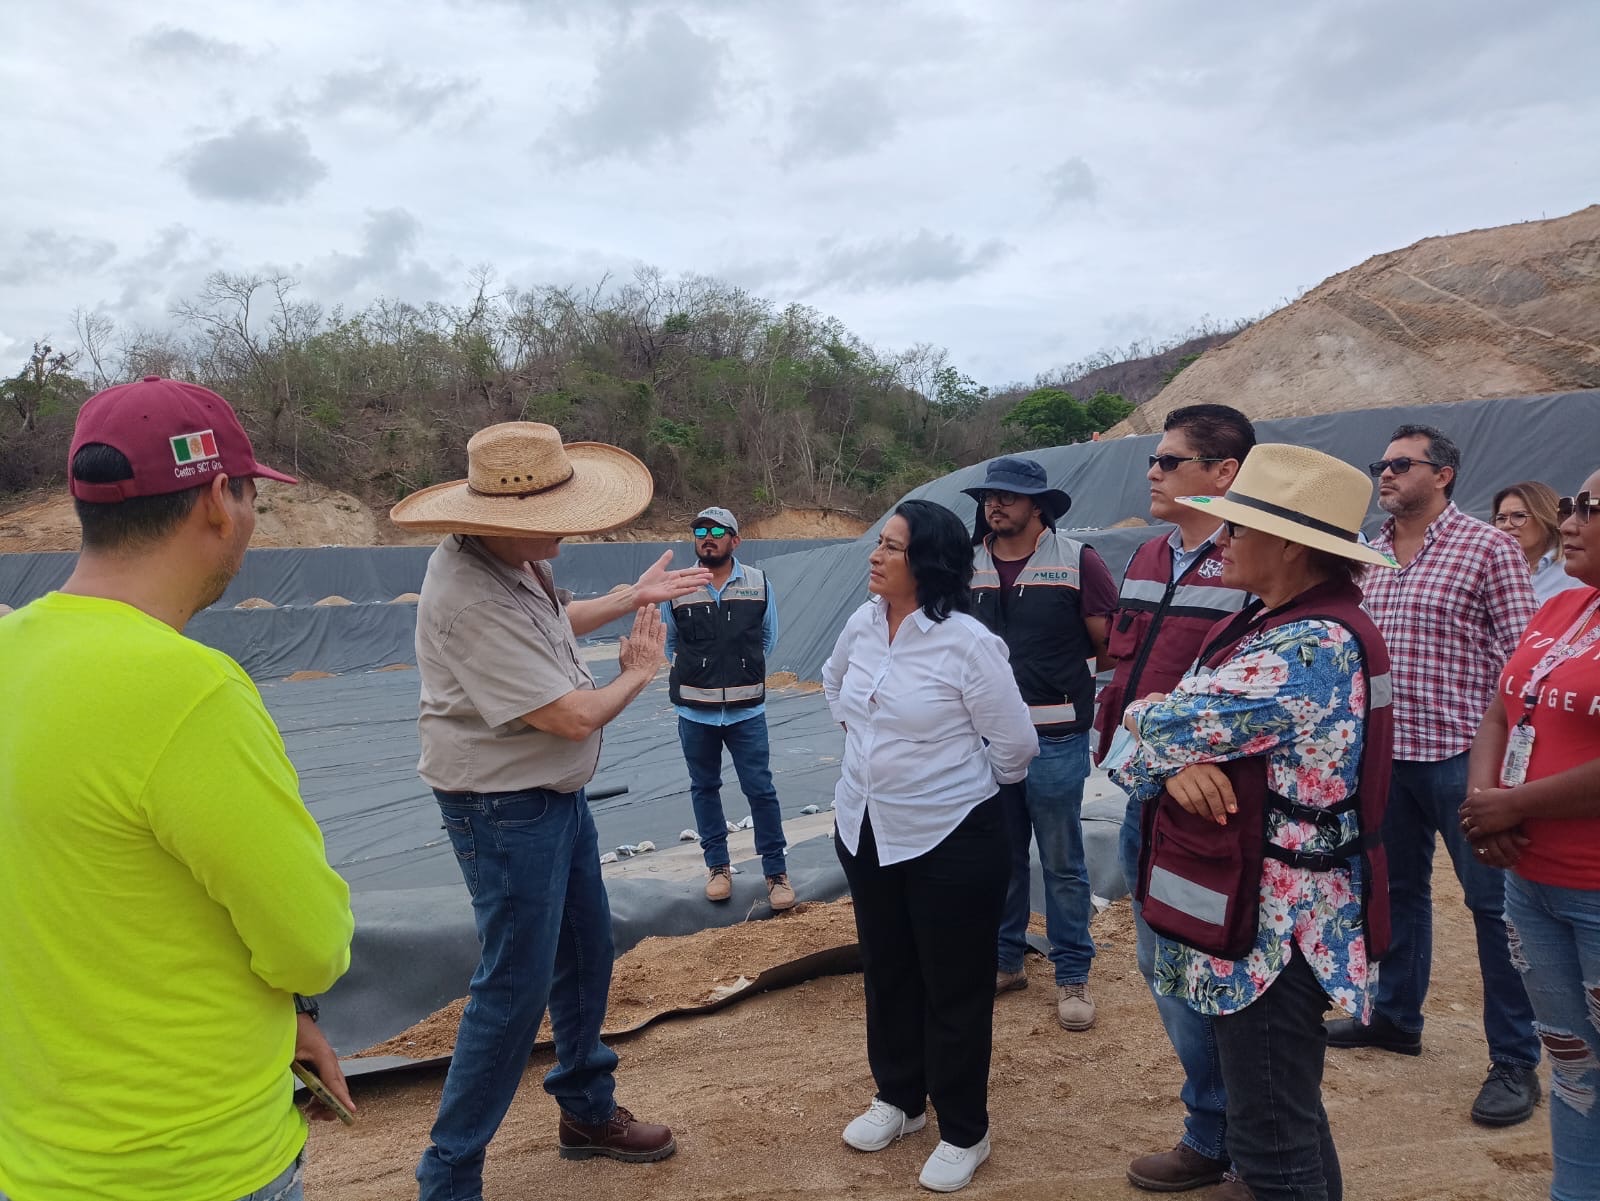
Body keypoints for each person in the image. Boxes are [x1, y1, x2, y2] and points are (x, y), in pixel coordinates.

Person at [0, 377, 355, 1201]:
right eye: (250, 493)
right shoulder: (191, 691)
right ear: (217, 503)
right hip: (193, 1162)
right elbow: (310, 942)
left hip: (34, 1157)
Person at [389, 421, 713, 1200]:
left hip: (548, 797)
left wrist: (629, 596)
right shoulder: (468, 595)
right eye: (550, 519)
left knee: (584, 948)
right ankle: (450, 1172)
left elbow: (552, 625)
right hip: (501, 809)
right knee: (513, 988)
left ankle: (585, 1107)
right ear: (502, 520)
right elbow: (570, 714)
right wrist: (638, 671)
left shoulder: (509, 560)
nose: (565, 530)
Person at [1115, 443, 1400, 1201]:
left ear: (1292, 546)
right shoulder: (1269, 623)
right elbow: (1138, 743)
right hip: (1265, 915)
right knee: (1286, 1117)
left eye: (1240, 527)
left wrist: (1155, 733)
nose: (1226, 540)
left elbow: (1146, 717)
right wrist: (1170, 759)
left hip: (1277, 930)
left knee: (1273, 1147)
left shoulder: (1306, 647)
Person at [1326, 424, 1543, 1127]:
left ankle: (1514, 1059)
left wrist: (1509, 772)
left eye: (1399, 464)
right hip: (1387, 756)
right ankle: (1395, 1019)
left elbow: (1524, 665)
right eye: (1379, 463)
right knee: (1396, 894)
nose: (1383, 474)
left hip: (1461, 759)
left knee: (1494, 908)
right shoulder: (1363, 554)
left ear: (1443, 474)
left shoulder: (1489, 548)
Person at [823, 499, 1036, 1193]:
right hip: (865, 828)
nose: (875, 555)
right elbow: (834, 686)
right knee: (888, 969)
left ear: (929, 563)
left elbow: (1015, 746)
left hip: (951, 837)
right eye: (878, 543)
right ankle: (900, 1099)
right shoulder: (862, 622)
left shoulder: (966, 642)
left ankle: (963, 1130)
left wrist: (945, 783)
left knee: (955, 986)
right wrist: (868, 752)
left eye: (891, 547)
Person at [1093, 402, 1256, 1192]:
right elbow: (1130, 670)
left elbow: (1244, 699)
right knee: (1164, 962)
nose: (1151, 472)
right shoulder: (1152, 555)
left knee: (1212, 967)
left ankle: (1229, 1134)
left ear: (1223, 473)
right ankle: (1216, 1123)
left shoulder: (1256, 567)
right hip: (1146, 798)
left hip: (1210, 812)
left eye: (1168, 460)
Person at [1461, 473, 1600, 1201]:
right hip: (1533, 881)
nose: (1570, 520)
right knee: (1573, 1060)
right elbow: (1501, 709)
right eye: (1572, 504)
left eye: (1590, 508)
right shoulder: (1567, 606)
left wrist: (1510, 806)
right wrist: (1488, 803)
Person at [961, 458, 1115, 1029]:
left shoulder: (1079, 562)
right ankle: (1006, 961)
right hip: (985, 742)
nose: (993, 505)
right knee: (999, 856)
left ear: (1038, 505)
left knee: (1061, 860)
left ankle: (1073, 971)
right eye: (988, 497)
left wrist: (1057, 681)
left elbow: (1109, 645)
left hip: (1056, 737)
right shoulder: (967, 564)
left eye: (1006, 497)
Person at [663, 505, 793, 910]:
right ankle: (717, 868)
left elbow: (767, 637)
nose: (708, 535)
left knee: (761, 791)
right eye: (700, 529)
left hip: (746, 713)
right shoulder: (678, 586)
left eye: (718, 530)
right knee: (705, 789)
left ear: (735, 540)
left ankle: (776, 873)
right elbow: (670, 644)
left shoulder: (758, 583)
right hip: (695, 714)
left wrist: (740, 671)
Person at [1493, 480, 1587, 605]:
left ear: (1545, 517)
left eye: (1519, 516)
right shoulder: (1491, 572)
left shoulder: (1575, 573)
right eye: (1500, 518)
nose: (1506, 525)